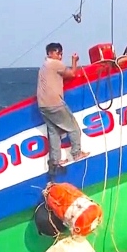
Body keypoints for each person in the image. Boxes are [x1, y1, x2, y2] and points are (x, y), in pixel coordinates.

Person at [37, 42, 90, 173]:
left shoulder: (44, 66)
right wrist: (74, 61)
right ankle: (76, 153)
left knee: (54, 132)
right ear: (50, 53)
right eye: (57, 53)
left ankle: (55, 161)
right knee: (73, 128)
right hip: (55, 103)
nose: (60, 56)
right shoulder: (55, 64)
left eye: (61, 53)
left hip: (43, 105)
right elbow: (71, 74)